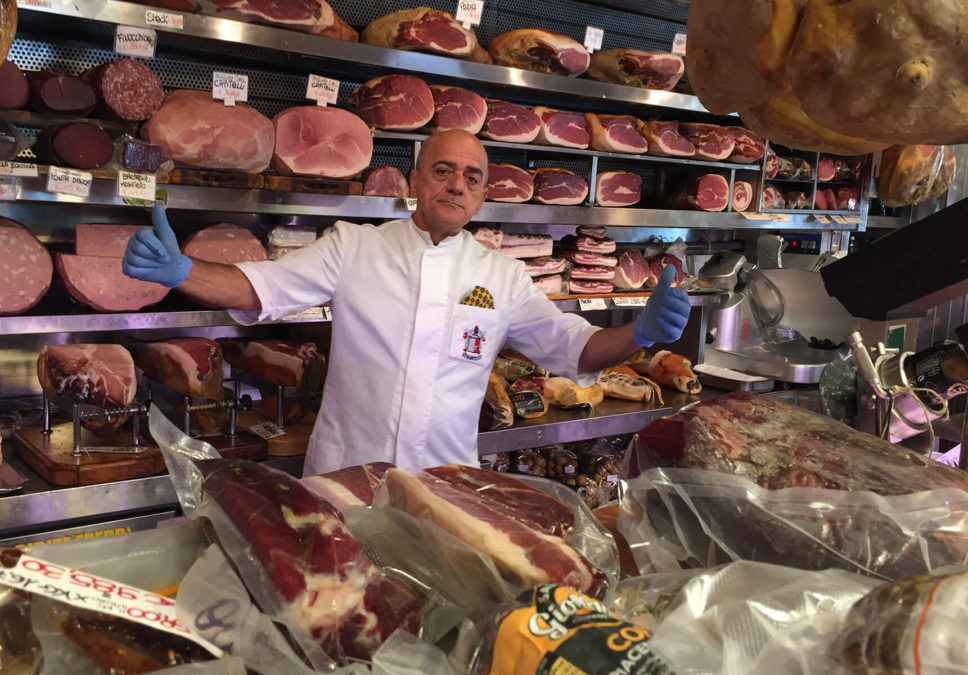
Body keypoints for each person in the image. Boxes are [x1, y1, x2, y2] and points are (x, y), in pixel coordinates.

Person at [123, 130, 690, 475]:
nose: (457, 184)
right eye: (443, 171)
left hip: (443, 484)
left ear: (484, 192)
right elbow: (259, 289)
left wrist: (639, 332)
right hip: (345, 479)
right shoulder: (355, 246)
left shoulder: (503, 276)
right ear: (416, 180)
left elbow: (576, 349)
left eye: (472, 176)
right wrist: (181, 271)